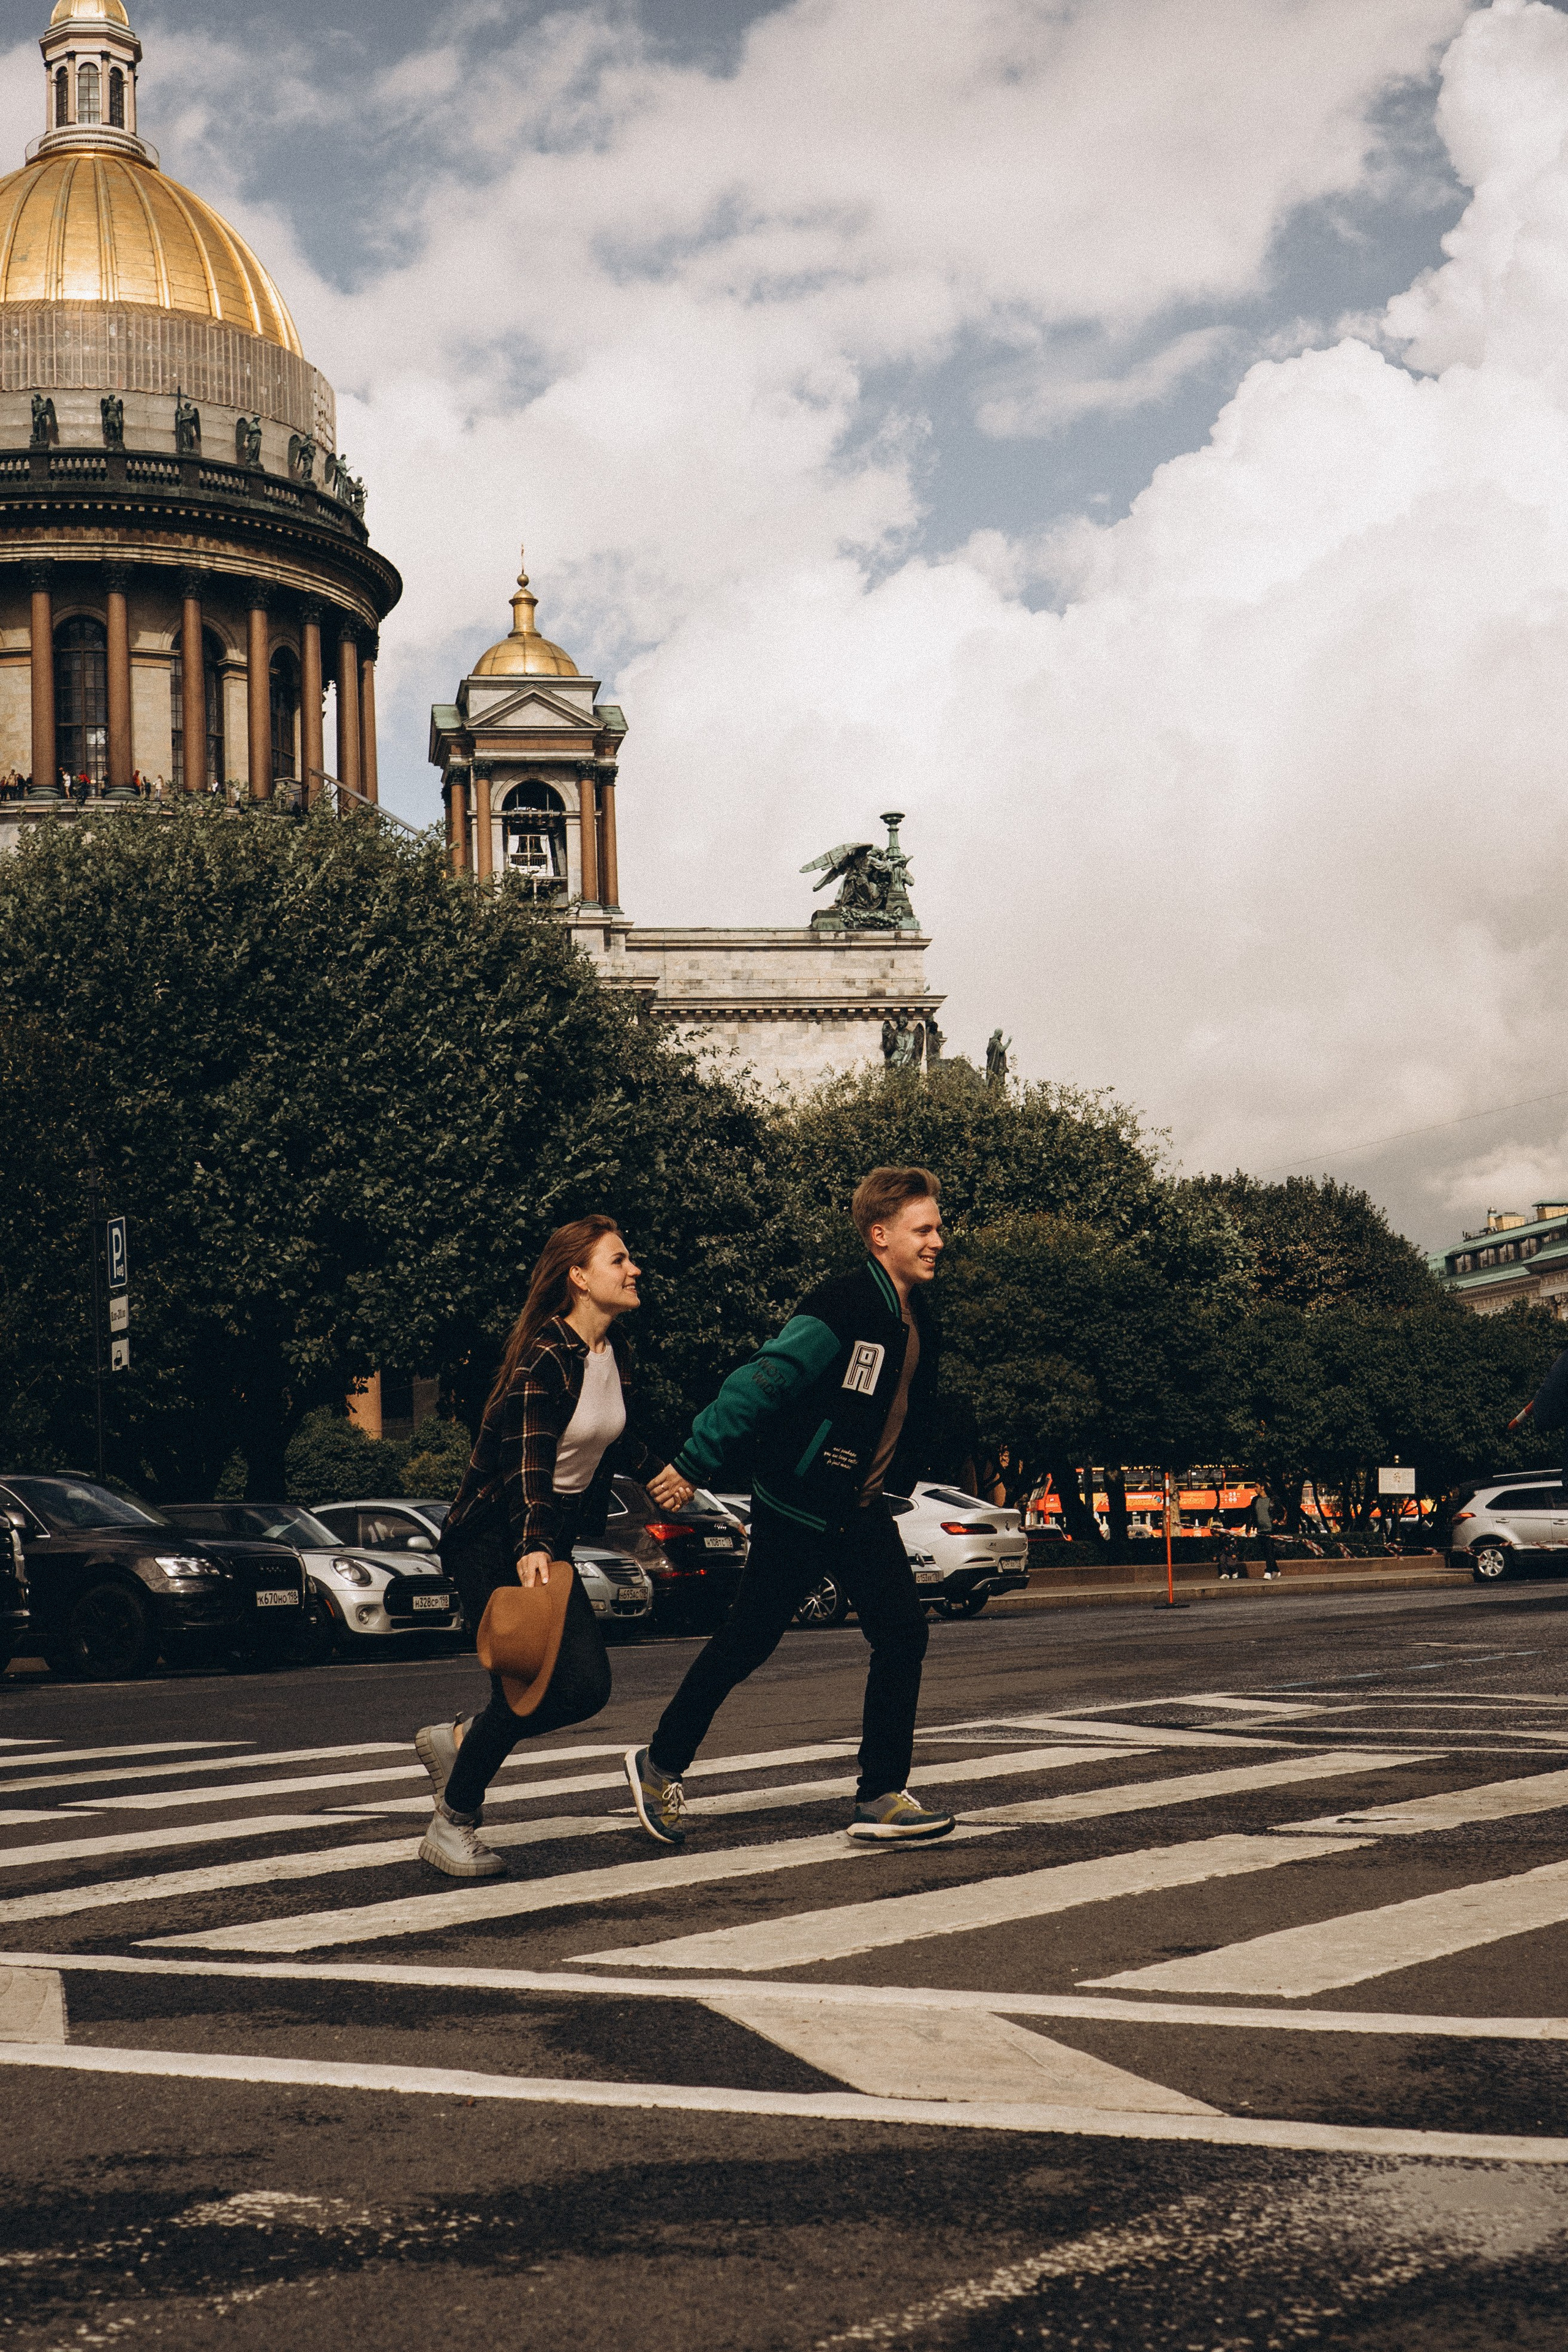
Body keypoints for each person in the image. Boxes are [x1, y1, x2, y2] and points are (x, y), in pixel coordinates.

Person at [625, 1165, 954, 1850]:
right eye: (923, 1230)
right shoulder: (842, 1304)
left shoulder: (913, 1314)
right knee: (749, 1641)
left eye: (937, 1228)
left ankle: (879, 1795)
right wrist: (691, 1463)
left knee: (901, 1634)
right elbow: (759, 1381)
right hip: (799, 1505)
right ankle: (658, 1765)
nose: (936, 1242)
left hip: (857, 1510)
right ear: (879, 1234)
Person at [415, 1215, 690, 1879]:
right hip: (493, 1542)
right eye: (619, 1260)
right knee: (524, 1693)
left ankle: (459, 1743)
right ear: (579, 1276)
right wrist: (534, 1544)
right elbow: (528, 1462)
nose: (634, 1269)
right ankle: (452, 1825)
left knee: (585, 1689)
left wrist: (659, 1470)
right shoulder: (544, 1356)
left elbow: (610, 1431)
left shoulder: (605, 1353)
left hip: (541, 1538)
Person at [1252, 1483, 1280, 1578]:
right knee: (1265, 1551)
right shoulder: (1255, 1500)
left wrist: (1277, 1519)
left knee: (1269, 1550)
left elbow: (1281, 1512)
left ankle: (1268, 1571)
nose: (1255, 1489)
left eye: (1256, 1486)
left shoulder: (1272, 1500)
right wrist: (1249, 1528)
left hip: (1271, 1529)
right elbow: (1252, 1514)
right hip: (1260, 1529)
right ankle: (1276, 1569)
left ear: (1262, 1487)